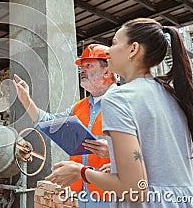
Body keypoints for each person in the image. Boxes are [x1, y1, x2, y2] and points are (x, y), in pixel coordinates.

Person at [45, 18, 193, 207]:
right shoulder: (179, 96)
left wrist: (80, 172)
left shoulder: (118, 98)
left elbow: (135, 191)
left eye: (114, 43)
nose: (108, 51)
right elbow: (190, 171)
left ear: (133, 49)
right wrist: (120, 167)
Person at [13, 44, 116, 208]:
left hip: (113, 195)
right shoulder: (79, 108)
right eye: (82, 67)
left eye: (89, 65)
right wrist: (25, 99)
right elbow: (49, 124)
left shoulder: (124, 102)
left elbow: (146, 149)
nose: (82, 70)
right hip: (81, 193)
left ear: (107, 70)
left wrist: (112, 149)